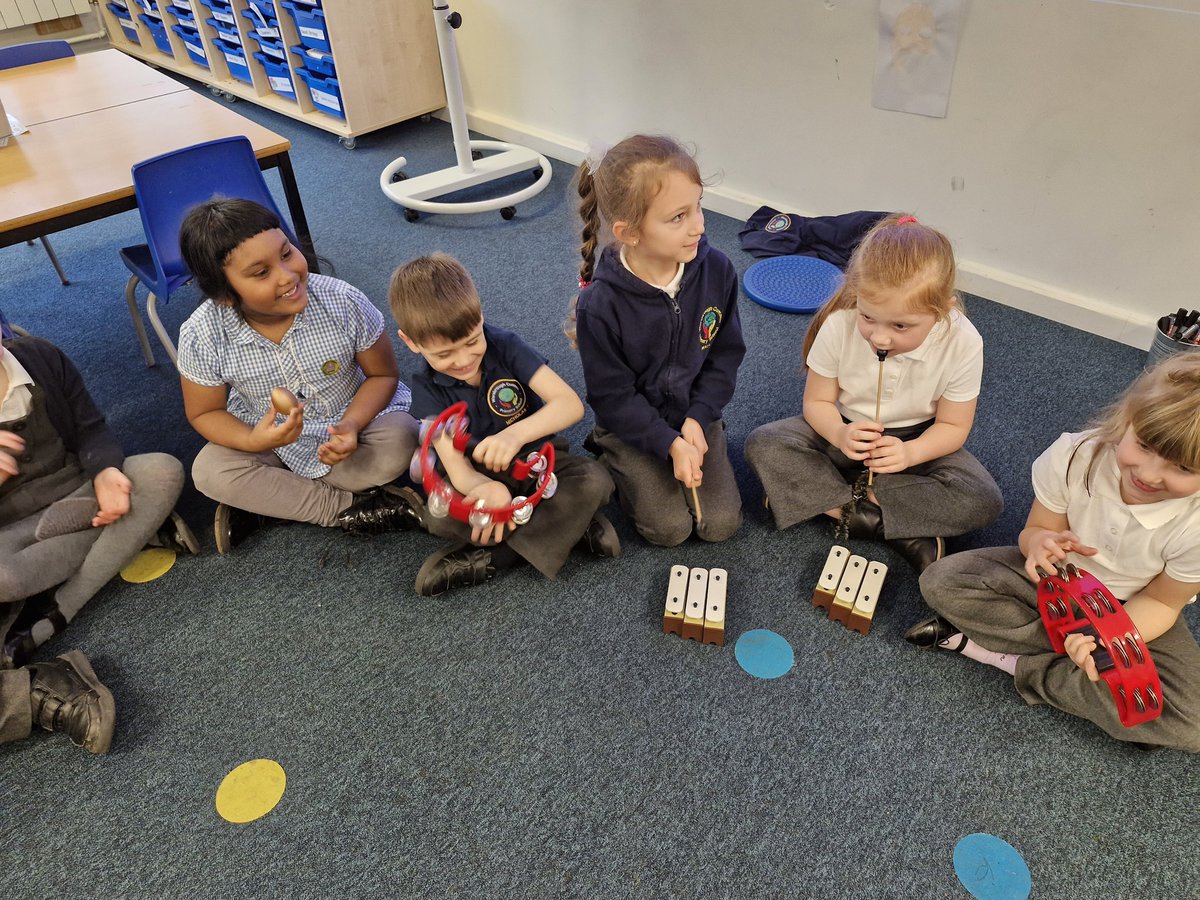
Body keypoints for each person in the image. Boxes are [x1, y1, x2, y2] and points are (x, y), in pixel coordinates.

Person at [908, 355, 1200, 752]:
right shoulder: (1074, 455)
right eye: (1144, 445)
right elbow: (1037, 531)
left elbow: (1162, 602)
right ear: (1126, 420)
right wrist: (1039, 544)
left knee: (1192, 725)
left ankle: (1003, 657)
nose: (1148, 475)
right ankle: (1081, 687)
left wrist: (1105, 641)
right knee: (943, 580)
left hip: (1132, 610)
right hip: (1057, 583)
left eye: (1182, 468)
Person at [743, 213, 1002, 573]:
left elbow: (953, 428)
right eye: (868, 318)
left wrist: (910, 452)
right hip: (844, 431)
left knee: (982, 499)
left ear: (942, 310)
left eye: (900, 326)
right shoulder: (839, 325)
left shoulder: (964, 342)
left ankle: (824, 502)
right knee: (764, 443)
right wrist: (838, 432)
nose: (880, 338)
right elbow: (817, 402)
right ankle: (892, 526)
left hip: (917, 441)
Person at [176, 198, 424, 553]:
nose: (288, 275)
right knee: (210, 471)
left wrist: (352, 425)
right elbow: (204, 412)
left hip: (355, 428)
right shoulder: (203, 334)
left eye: (287, 252)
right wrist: (253, 442)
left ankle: (273, 503)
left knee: (400, 440)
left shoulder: (342, 301)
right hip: (269, 441)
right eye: (261, 273)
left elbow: (383, 375)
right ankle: (345, 510)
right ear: (223, 294)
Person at [1, 334, 191, 753]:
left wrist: (106, 469)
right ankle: (126, 534)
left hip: (79, 491)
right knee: (3, 576)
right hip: (13, 532)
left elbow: (91, 429)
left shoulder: (39, 358)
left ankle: (57, 609)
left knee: (160, 471)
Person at [390, 254, 618, 596]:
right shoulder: (427, 390)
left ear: (480, 316)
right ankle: (569, 527)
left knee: (595, 480)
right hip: (483, 477)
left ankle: (497, 555)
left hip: (538, 464)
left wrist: (515, 435)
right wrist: (486, 489)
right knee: (439, 518)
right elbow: (457, 469)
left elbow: (570, 405)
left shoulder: (506, 346)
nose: (464, 360)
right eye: (444, 355)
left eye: (472, 341)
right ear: (411, 342)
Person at [566, 134, 745, 547]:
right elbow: (612, 396)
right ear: (629, 232)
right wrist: (665, 443)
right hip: (631, 425)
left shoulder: (717, 271)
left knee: (719, 525)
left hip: (694, 414)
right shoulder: (599, 304)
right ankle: (609, 449)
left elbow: (725, 355)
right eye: (678, 217)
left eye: (698, 206)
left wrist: (699, 418)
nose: (699, 224)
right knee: (668, 530)